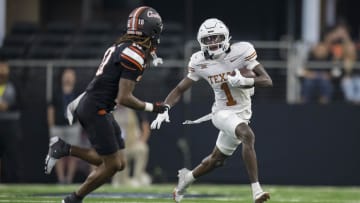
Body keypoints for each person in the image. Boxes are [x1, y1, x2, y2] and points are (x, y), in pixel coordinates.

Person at [44, 6, 169, 203]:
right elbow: (124, 98)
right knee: (111, 166)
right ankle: (73, 199)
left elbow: (103, 83)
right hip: (96, 109)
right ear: (151, 31)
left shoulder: (121, 47)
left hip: (98, 107)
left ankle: (64, 148)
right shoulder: (134, 54)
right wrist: (153, 107)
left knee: (118, 163)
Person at [151, 18, 272, 203]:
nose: (213, 42)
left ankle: (186, 180)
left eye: (216, 37)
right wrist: (165, 107)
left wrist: (245, 81)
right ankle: (256, 191)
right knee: (247, 135)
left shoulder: (242, 50)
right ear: (201, 42)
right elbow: (180, 89)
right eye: (208, 39)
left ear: (225, 37)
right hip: (221, 113)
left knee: (216, 160)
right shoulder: (199, 61)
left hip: (242, 113)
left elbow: (267, 80)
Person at [47, 68, 89, 184]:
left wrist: (79, 125)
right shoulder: (56, 92)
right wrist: (51, 126)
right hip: (58, 127)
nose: (68, 77)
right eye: (67, 75)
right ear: (62, 77)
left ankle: (69, 179)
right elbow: (51, 109)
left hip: (73, 128)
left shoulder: (77, 93)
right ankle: (61, 179)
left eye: (71, 75)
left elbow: (82, 110)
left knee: (73, 154)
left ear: (74, 78)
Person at [111, 105, 152, 187]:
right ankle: (120, 179)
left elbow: (146, 127)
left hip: (133, 144)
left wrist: (141, 140)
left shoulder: (135, 109)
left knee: (142, 148)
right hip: (118, 146)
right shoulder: (110, 110)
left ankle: (138, 177)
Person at [0, 60, 20, 182]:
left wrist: (8, 107)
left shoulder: (14, 84)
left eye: (4, 67)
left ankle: (13, 180)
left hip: (11, 124)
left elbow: (22, 102)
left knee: (11, 154)